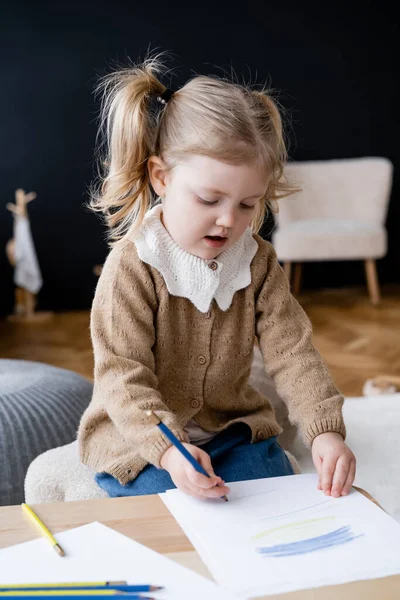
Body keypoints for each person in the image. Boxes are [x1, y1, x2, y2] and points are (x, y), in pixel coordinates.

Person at [78, 53, 356, 501]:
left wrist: (325, 431)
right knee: (166, 500)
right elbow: (121, 375)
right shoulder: (133, 266)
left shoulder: (258, 262)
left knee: (271, 491)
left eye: (248, 204)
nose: (229, 221)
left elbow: (293, 352)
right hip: (144, 439)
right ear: (161, 177)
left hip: (228, 427)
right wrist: (170, 451)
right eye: (209, 199)